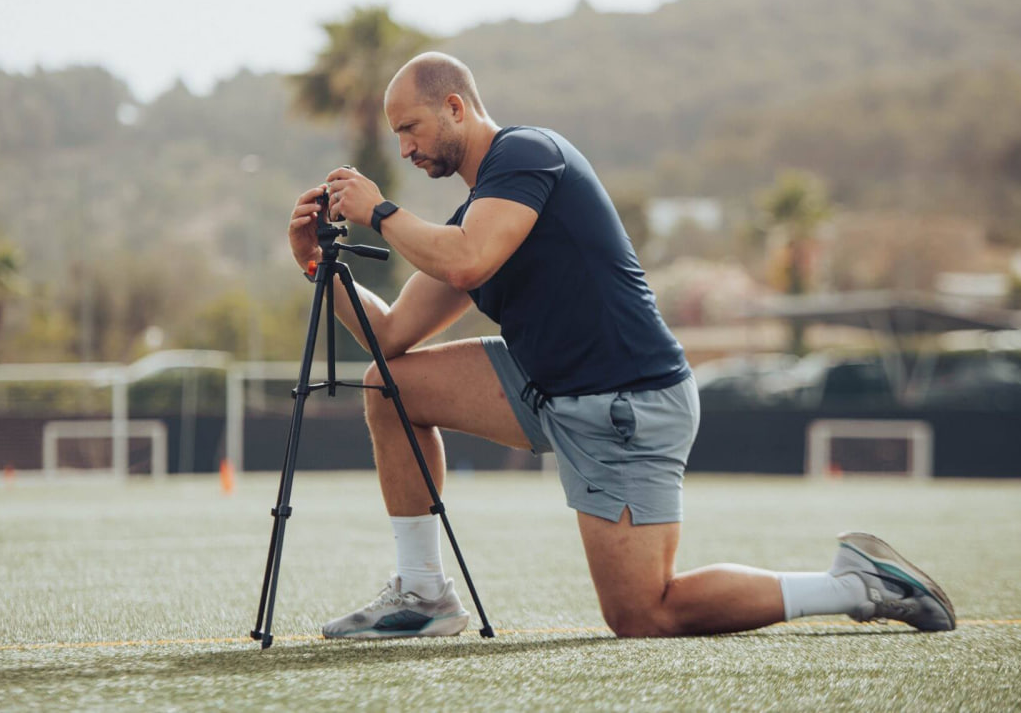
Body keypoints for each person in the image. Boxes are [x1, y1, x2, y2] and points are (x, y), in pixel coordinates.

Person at [287, 52, 956, 639]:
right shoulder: (472, 219)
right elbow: (392, 334)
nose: (403, 148)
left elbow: (466, 261)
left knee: (644, 613)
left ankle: (855, 584)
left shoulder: (527, 153)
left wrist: (377, 209)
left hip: (629, 403)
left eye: (410, 128)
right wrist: (320, 265)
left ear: (455, 107)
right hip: (546, 386)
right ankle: (423, 591)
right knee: (387, 381)